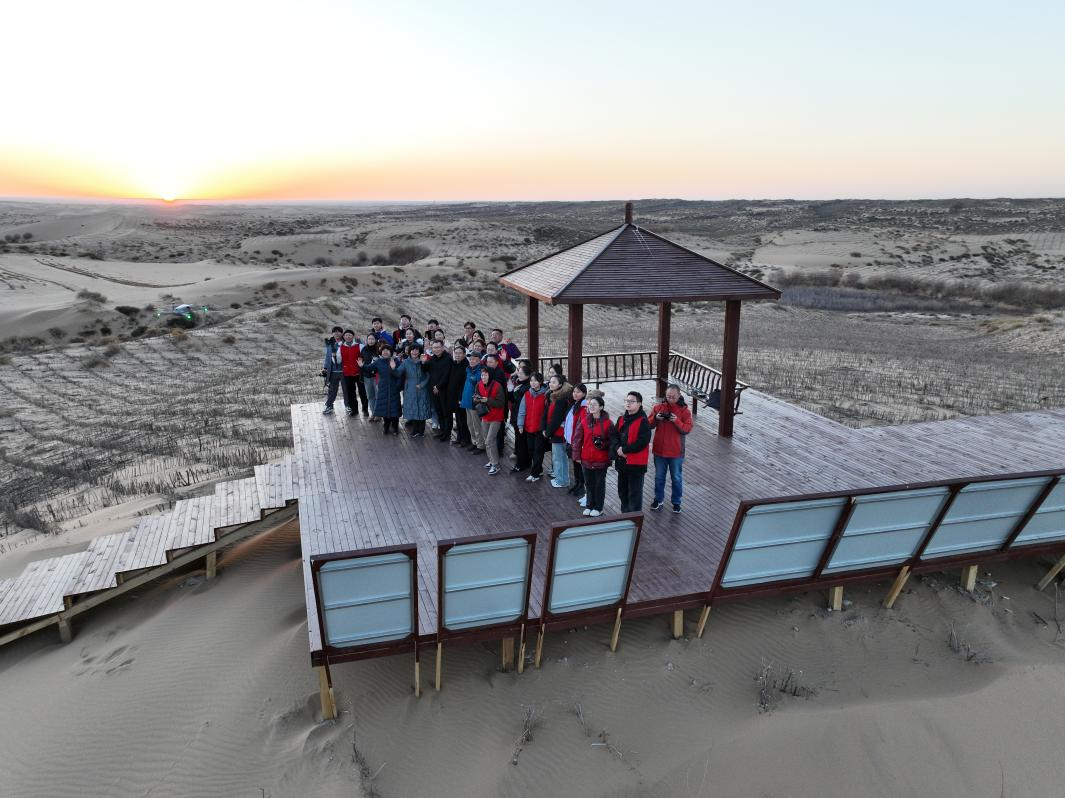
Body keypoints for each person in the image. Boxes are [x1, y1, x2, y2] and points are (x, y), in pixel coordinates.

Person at [649, 384, 693, 513]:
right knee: (659, 477)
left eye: (673, 397)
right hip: (659, 451)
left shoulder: (685, 411)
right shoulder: (658, 408)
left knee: (676, 478)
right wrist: (656, 418)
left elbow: (687, 429)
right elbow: (648, 424)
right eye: (668, 396)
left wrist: (676, 420)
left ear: (679, 395)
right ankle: (658, 499)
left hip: (676, 452)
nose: (670, 399)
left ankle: (676, 502)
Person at [572, 394, 615, 517]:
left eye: (594, 405)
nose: (591, 406)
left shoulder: (608, 423)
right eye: (590, 404)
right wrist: (577, 456)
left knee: (599, 484)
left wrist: (603, 444)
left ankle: (598, 507)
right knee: (589, 484)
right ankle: (589, 505)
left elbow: (613, 442)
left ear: (601, 407)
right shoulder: (584, 421)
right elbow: (577, 439)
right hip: (586, 458)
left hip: (601, 459)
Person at [614, 391, 651, 512]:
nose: (628, 403)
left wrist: (624, 450)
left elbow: (643, 442)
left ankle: (634, 520)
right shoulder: (621, 419)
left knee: (634, 494)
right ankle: (625, 516)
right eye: (626, 400)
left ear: (639, 404)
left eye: (632, 401)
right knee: (622, 491)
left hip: (636, 464)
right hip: (622, 462)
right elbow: (614, 436)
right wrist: (617, 448)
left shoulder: (643, 421)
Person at [472, 365, 506, 475]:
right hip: (485, 416)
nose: (483, 377)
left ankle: (495, 465)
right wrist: (476, 399)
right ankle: (491, 460)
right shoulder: (478, 385)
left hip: (496, 417)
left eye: (485, 375)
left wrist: (487, 400)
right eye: (482, 375)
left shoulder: (497, 386)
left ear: (490, 375)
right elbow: (475, 398)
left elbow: (501, 403)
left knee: (489, 440)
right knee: (486, 439)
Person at [542, 373, 574, 489]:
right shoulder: (555, 396)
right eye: (550, 382)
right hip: (557, 432)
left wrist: (548, 432)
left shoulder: (560, 399)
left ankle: (562, 481)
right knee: (560, 457)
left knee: (559, 458)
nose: (550, 384)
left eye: (554, 382)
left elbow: (556, 419)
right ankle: (562, 478)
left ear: (560, 385)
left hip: (558, 433)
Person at [362, 345, 402, 434]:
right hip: (383, 388)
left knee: (394, 408)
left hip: (394, 388)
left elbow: (399, 375)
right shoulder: (378, 362)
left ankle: (395, 427)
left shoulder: (396, 361)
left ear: (391, 352)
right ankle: (386, 426)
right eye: (383, 350)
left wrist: (393, 368)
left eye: (387, 350)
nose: (385, 352)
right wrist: (362, 366)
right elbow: (368, 368)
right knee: (384, 408)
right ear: (381, 352)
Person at [517, 372, 548, 481]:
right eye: (531, 380)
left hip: (540, 429)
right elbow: (522, 411)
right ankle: (539, 470)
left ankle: (535, 474)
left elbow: (548, 413)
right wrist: (520, 425)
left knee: (538, 451)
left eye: (535, 380)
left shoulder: (546, 395)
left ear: (540, 382)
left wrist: (545, 427)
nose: (533, 383)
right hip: (528, 427)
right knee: (531, 450)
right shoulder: (527, 394)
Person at [397, 344, 432, 437]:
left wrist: (422, 384)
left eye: (417, 350)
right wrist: (392, 368)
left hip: (422, 388)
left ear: (419, 351)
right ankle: (415, 429)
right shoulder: (405, 362)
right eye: (412, 350)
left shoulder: (423, 361)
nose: (414, 352)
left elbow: (428, 375)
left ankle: (421, 430)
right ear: (409, 351)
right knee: (413, 408)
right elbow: (398, 372)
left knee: (422, 407)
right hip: (410, 388)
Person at [424, 339, 453, 443]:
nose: (436, 349)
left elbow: (446, 375)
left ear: (443, 347)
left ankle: (447, 433)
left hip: (444, 390)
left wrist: (438, 387)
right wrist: (423, 362)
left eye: (438, 347)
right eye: (434, 347)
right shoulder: (433, 358)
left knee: (446, 412)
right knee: (439, 411)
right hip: (434, 390)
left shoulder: (448, 359)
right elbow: (426, 369)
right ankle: (442, 431)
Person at [564, 383, 588, 504]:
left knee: (579, 465)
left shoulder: (583, 407)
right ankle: (577, 484)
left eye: (578, 392)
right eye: (574, 391)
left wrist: (576, 441)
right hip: (571, 440)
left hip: (577, 441)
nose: (575, 394)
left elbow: (580, 426)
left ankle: (581, 486)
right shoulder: (575, 405)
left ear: (584, 394)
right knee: (575, 464)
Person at [508, 364, 532, 473]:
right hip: (516, 415)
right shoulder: (520, 384)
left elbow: (521, 402)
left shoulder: (526, 386)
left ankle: (522, 464)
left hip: (522, 418)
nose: (519, 374)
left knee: (522, 441)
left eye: (521, 373)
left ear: (527, 375)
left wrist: (514, 392)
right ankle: (523, 462)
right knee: (519, 440)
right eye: (519, 372)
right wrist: (511, 391)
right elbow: (513, 400)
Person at [461, 352, 486, 453]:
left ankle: (480, 445)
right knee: (470, 424)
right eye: (470, 359)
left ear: (479, 360)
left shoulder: (480, 372)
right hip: (467, 401)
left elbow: (481, 388)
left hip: (474, 403)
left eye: (474, 359)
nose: (471, 361)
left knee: (477, 426)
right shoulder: (468, 370)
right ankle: (474, 442)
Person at [339, 329, 368, 416]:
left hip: (359, 372)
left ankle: (365, 409)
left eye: (350, 335)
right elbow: (338, 360)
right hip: (347, 373)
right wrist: (334, 356)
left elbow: (365, 356)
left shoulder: (360, 346)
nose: (348, 337)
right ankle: (354, 410)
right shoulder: (340, 347)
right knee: (351, 392)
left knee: (363, 392)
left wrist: (362, 363)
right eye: (346, 335)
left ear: (353, 336)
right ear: (343, 337)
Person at [447, 344, 471, 446]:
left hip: (461, 397)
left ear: (464, 354)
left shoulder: (466, 366)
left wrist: (461, 398)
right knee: (458, 418)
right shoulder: (454, 364)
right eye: (455, 353)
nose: (457, 355)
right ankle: (459, 437)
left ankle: (465, 439)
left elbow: (464, 384)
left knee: (463, 419)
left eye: (459, 353)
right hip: (454, 396)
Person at [321, 326, 344, 415]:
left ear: (342, 333)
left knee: (346, 390)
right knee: (332, 390)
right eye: (335, 332)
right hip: (333, 371)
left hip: (344, 370)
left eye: (339, 331)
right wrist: (325, 368)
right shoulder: (330, 343)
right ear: (332, 333)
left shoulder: (345, 342)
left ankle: (348, 406)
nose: (337, 333)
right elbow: (327, 356)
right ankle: (329, 406)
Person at [360, 333, 380, 421]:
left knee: (378, 396)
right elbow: (361, 363)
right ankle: (373, 413)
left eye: (372, 339)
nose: (371, 341)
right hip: (367, 376)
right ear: (367, 340)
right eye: (369, 339)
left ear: (376, 340)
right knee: (370, 396)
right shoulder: (364, 349)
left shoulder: (379, 349)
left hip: (377, 377)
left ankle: (378, 414)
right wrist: (361, 375)